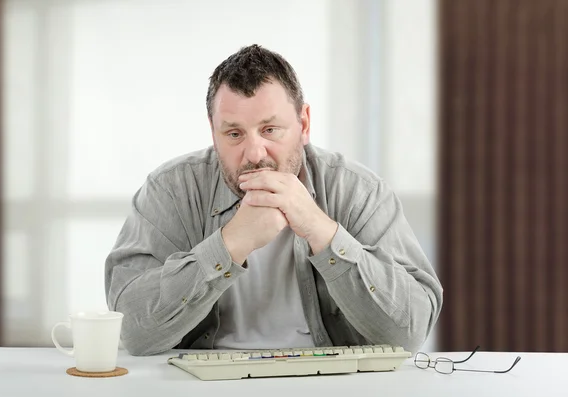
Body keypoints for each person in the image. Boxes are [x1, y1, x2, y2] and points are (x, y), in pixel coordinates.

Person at [105, 44, 443, 356]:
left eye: (270, 130)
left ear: (304, 123)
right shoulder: (170, 191)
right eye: (234, 134)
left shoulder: (358, 190)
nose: (254, 154)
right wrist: (230, 243)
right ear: (213, 132)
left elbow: (410, 332)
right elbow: (133, 333)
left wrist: (321, 232)